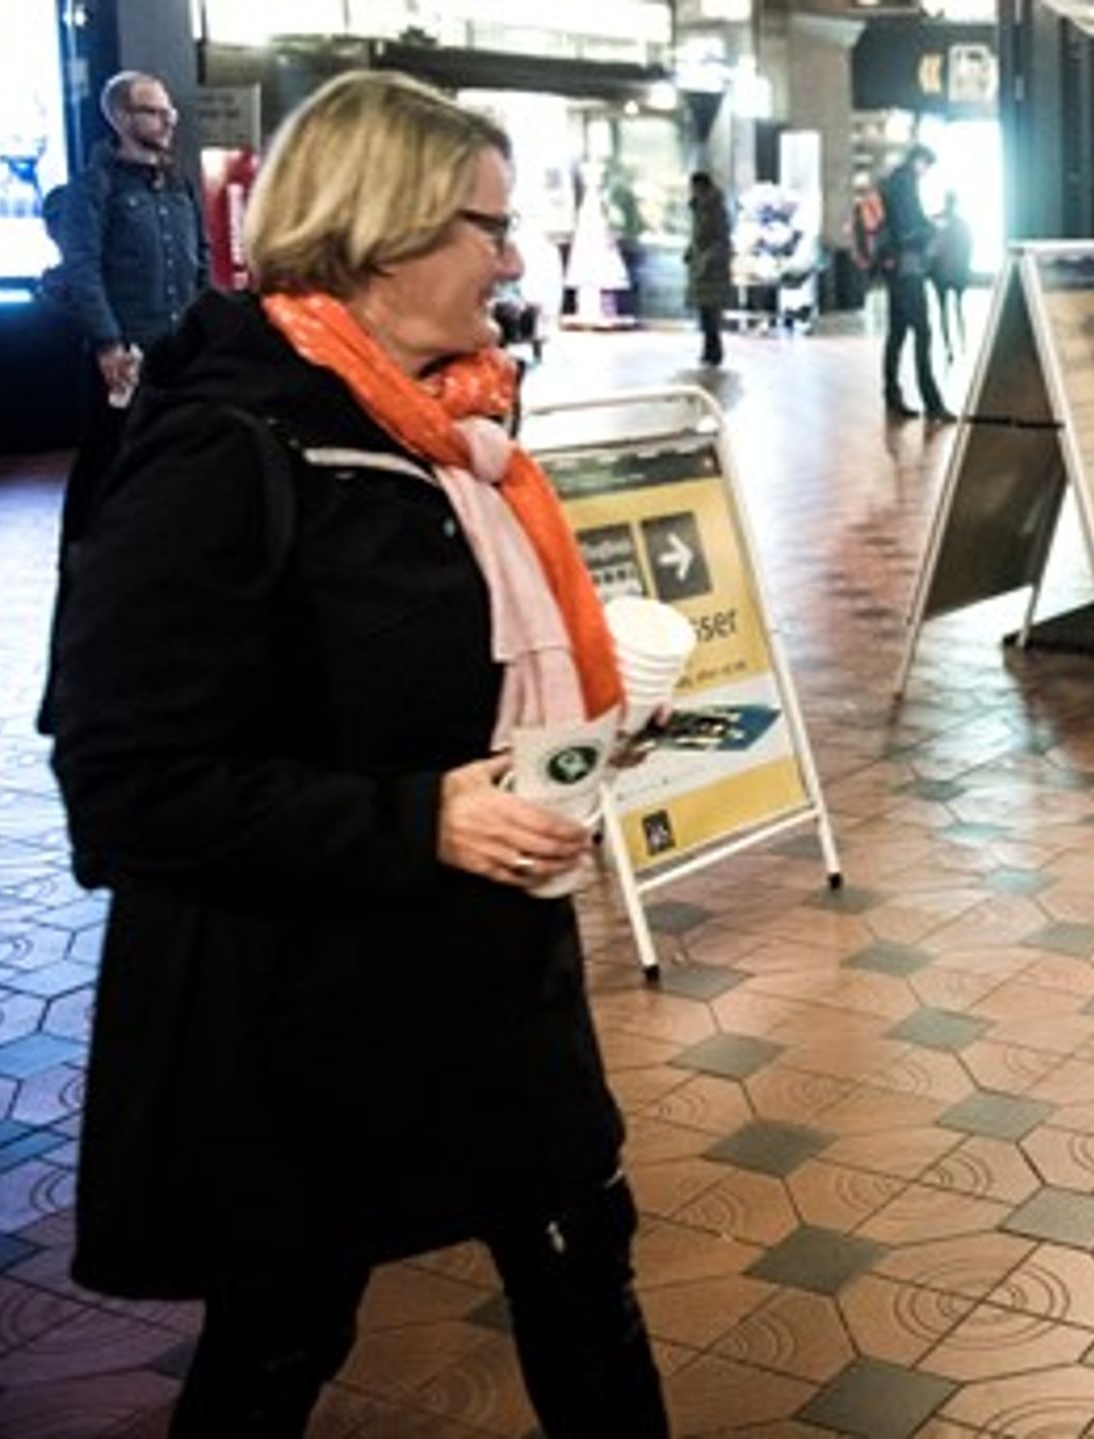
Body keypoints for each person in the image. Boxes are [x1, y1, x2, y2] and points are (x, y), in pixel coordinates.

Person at [46, 72, 667, 1435]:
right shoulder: (222, 445)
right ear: (384, 230)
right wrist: (415, 820)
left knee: (584, 1267)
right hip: (307, 1002)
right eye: (486, 227)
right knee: (284, 1327)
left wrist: (581, 712)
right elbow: (125, 781)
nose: (511, 258)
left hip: (494, 963)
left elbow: (454, 662)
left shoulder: (450, 424)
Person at [55, 70, 210, 546]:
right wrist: (108, 343)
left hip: (177, 350)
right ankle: (81, 563)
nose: (167, 120)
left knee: (178, 458)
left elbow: (200, 260)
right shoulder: (93, 187)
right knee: (104, 460)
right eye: (154, 111)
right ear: (122, 116)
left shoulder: (179, 184)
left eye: (170, 111)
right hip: (123, 352)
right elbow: (81, 269)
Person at [876, 144, 950, 421]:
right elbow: (908, 225)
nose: (926, 173)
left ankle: (892, 395)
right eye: (927, 166)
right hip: (908, 267)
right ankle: (933, 403)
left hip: (893, 267)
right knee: (923, 331)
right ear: (919, 161)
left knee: (897, 334)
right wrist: (931, 229)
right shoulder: (905, 181)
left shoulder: (891, 180)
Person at [685, 170, 733, 367]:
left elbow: (719, 238)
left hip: (712, 269)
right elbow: (697, 236)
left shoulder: (714, 209)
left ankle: (714, 351)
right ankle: (709, 350)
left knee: (711, 311)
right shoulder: (700, 208)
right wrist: (691, 252)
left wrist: (707, 259)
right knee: (705, 311)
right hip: (701, 266)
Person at [925, 192, 973, 364]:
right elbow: (968, 250)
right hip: (957, 272)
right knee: (958, 309)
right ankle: (962, 343)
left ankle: (950, 347)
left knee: (943, 311)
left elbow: (931, 249)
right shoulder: (962, 225)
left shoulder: (937, 222)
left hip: (941, 274)